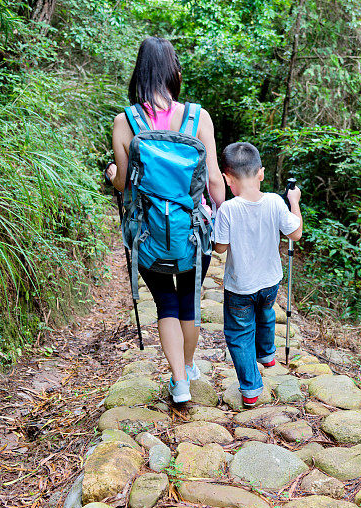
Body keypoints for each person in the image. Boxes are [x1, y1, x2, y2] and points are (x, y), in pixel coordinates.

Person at [106, 37, 226, 403]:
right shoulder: (197, 117)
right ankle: (188, 370)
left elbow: (126, 184)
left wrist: (112, 174)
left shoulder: (125, 123)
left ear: (138, 73)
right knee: (189, 304)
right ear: (174, 71)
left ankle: (178, 382)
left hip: (149, 233)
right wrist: (225, 219)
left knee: (166, 305)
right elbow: (214, 179)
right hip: (193, 231)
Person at [213, 142, 302, 407]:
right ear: (260, 173)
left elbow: (219, 248)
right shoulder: (276, 201)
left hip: (240, 286)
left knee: (239, 335)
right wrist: (293, 202)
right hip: (270, 281)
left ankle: (251, 389)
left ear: (227, 178)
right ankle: (267, 353)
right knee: (265, 313)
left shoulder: (228, 209)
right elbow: (295, 233)